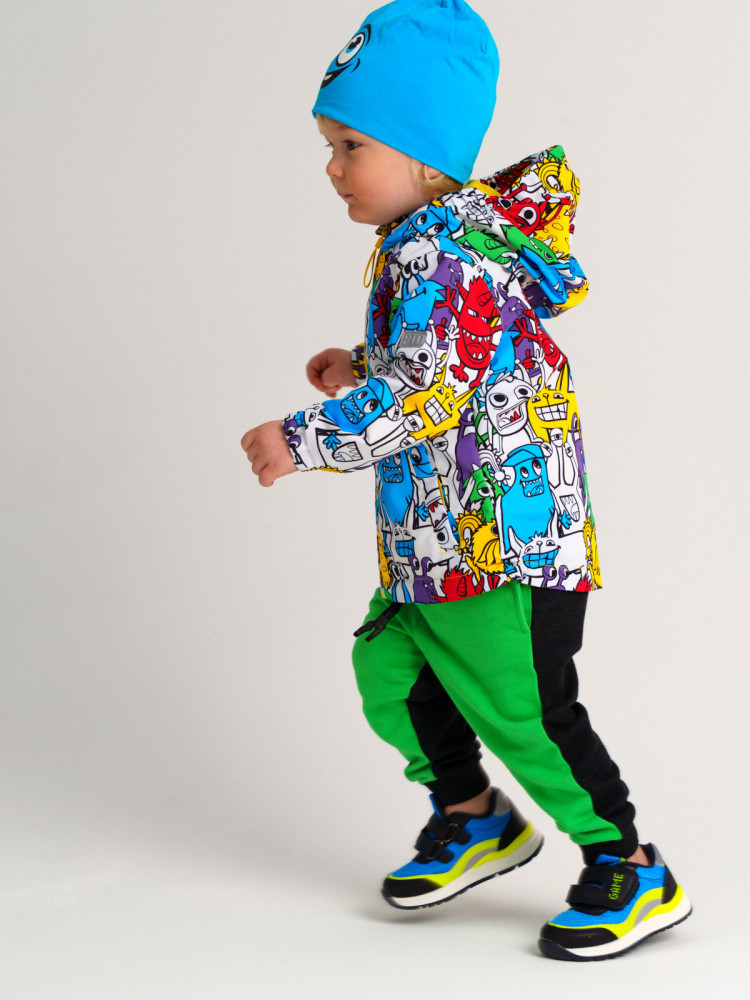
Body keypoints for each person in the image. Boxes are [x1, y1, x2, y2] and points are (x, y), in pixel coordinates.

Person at [241, 0, 691, 961]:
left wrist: (302, 437)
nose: (333, 169)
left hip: (501, 549)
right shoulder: (430, 246)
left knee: (528, 715)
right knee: (389, 674)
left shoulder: (442, 253)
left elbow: (427, 393)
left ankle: (628, 863)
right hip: (438, 543)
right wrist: (363, 367)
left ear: (422, 154)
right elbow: (444, 367)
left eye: (351, 146)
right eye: (330, 146)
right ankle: (473, 815)